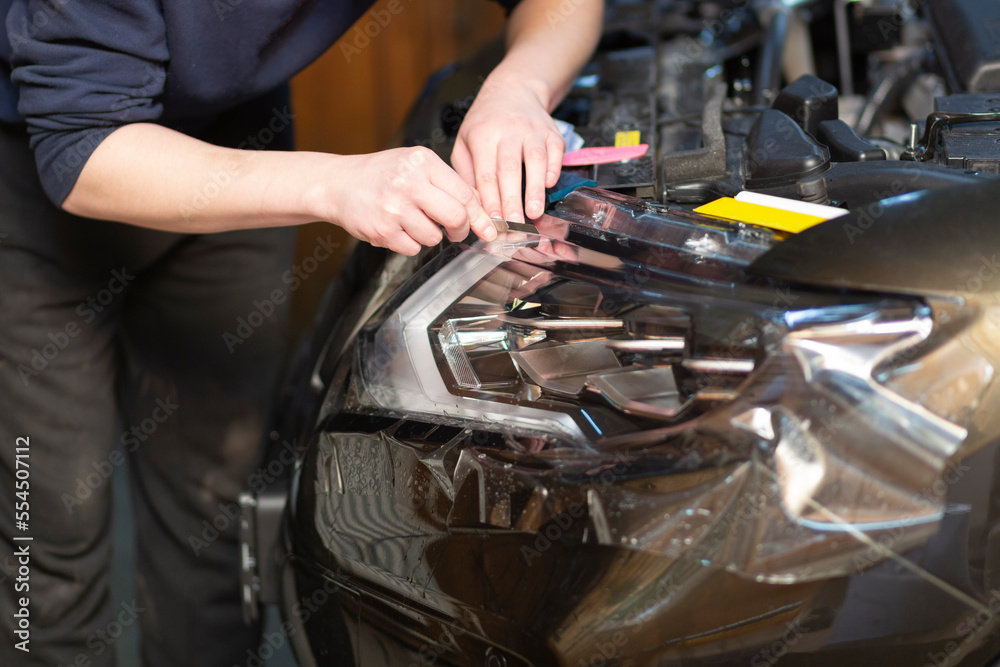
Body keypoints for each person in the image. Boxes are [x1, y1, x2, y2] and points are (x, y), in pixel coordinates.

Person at [0, 0, 603, 665]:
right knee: (49, 550)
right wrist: (337, 183)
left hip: (235, 146)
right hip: (36, 176)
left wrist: (516, 90)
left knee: (211, 522)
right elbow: (82, 148)